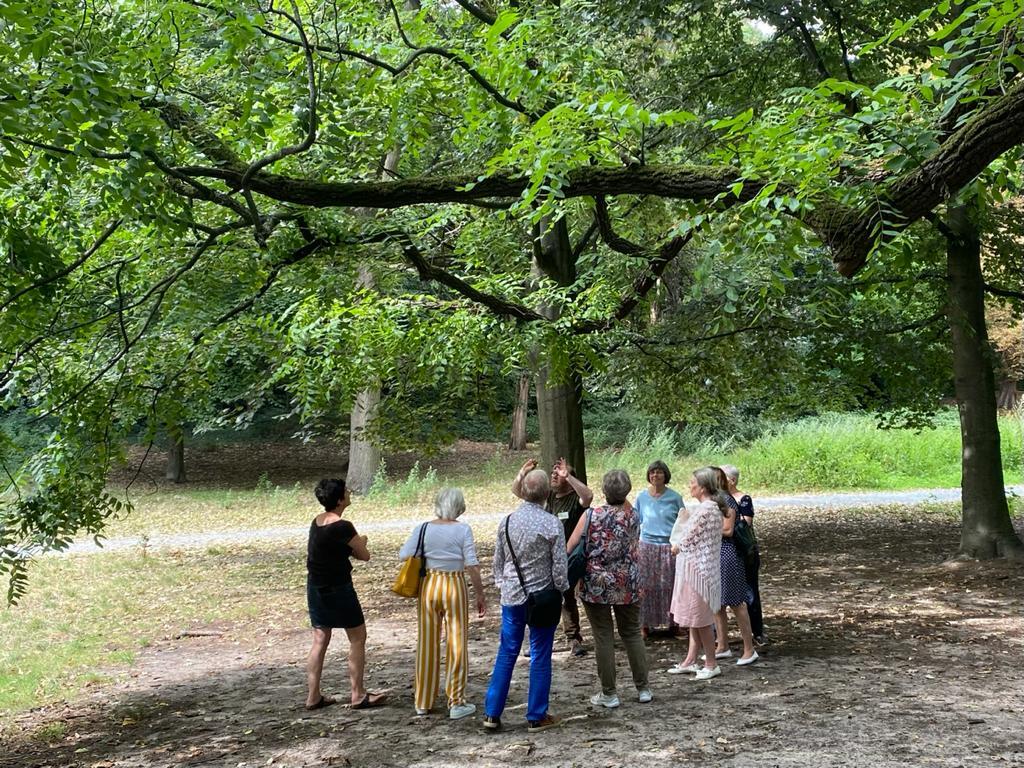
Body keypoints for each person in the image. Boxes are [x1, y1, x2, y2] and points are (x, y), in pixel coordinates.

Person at [483, 468, 568, 733]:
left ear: (523, 491)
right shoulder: (552, 523)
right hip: (542, 597)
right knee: (540, 654)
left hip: (511, 596)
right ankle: (536, 715)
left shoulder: (507, 521)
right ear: (546, 493)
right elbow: (559, 569)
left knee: (507, 652)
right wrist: (561, 591)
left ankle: (492, 713)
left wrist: (504, 585)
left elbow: (498, 562)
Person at [399, 488, 487, 720]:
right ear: (459, 506)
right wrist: (480, 594)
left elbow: (404, 554)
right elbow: (471, 563)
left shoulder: (423, 528)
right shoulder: (462, 529)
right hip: (454, 584)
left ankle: (422, 700)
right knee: (456, 643)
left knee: (427, 642)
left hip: (429, 585)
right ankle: (456, 701)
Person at [567, 469, 651, 708]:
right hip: (629, 582)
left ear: (603, 491)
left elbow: (570, 546)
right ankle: (643, 687)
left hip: (596, 584)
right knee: (632, 633)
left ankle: (609, 693)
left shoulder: (591, 515)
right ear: (627, 491)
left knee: (603, 636)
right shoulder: (633, 515)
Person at [305, 478, 387, 710]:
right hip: (339, 588)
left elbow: (329, 551)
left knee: (320, 640)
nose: (349, 492)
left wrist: (351, 546)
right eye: (346, 491)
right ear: (340, 499)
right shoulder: (343, 526)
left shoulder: (317, 522)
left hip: (315, 587)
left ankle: (313, 696)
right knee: (358, 638)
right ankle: (358, 694)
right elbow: (364, 555)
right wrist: (361, 542)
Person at [513, 457, 593, 657]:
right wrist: (522, 473)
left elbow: (589, 496)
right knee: (539, 596)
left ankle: (573, 638)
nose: (554, 477)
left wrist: (570, 477)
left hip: (570, 556)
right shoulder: (546, 497)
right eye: (553, 474)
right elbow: (517, 491)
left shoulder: (575, 498)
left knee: (567, 597)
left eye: (559, 474)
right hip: (544, 555)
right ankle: (537, 640)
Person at [666, 467, 726, 681]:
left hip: (699, 572)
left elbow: (686, 538)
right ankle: (690, 660)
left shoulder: (706, 510)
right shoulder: (707, 508)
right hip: (695, 570)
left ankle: (711, 663)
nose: (690, 486)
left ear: (702, 487)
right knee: (694, 618)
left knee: (700, 619)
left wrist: (675, 545)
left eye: (692, 482)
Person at [711, 467, 757, 665]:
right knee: (717, 603)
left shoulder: (726, 500)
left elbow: (728, 530)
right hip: (716, 555)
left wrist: (705, 527)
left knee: (737, 602)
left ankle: (749, 649)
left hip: (729, 554)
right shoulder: (714, 501)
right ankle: (722, 646)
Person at [633, 460, 684, 637]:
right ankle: (645, 624)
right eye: (652, 472)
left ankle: (674, 623)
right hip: (646, 546)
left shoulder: (675, 497)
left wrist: (678, 544)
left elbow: (683, 523)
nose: (655, 475)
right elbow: (635, 522)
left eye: (659, 472)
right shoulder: (641, 497)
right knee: (646, 586)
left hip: (669, 546)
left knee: (670, 585)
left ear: (666, 475)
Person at [721, 464, 764, 643]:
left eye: (722, 478)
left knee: (750, 591)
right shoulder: (719, 500)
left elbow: (745, 522)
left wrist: (729, 516)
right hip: (728, 552)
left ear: (732, 480)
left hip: (745, 552)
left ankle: (757, 632)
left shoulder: (743, 499)